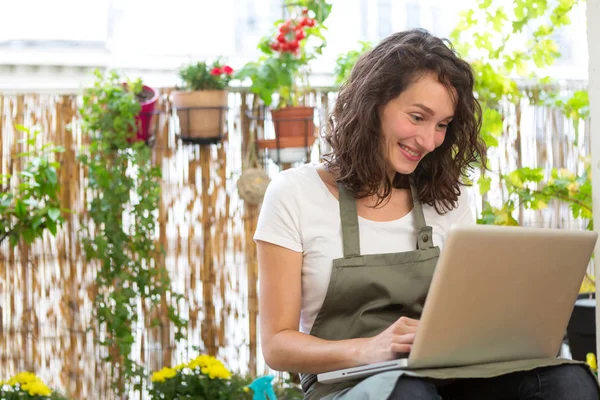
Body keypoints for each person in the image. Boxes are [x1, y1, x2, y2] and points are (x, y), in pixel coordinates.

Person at [253, 29, 600, 400]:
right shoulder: (295, 193)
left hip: (450, 379)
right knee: (410, 394)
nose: (430, 140)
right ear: (372, 105)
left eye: (442, 125)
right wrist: (369, 349)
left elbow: (472, 311)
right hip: (346, 386)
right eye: (418, 117)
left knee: (568, 382)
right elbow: (277, 346)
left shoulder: (449, 198)